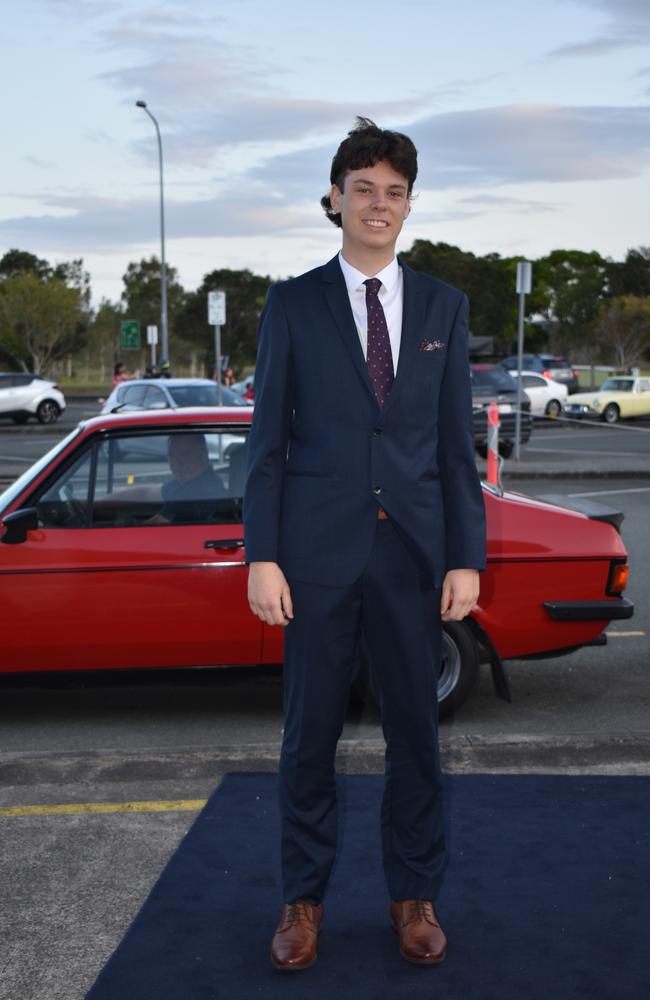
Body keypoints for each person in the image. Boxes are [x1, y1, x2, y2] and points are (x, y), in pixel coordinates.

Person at [243, 118, 486, 971]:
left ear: (407, 206)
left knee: (416, 736)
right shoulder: (293, 303)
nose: (378, 205)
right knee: (308, 736)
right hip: (313, 559)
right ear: (336, 200)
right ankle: (301, 901)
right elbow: (265, 441)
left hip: (415, 557)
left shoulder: (445, 308)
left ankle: (412, 897)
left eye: (394, 193)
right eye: (364, 190)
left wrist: (467, 556)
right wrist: (261, 555)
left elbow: (456, 447)